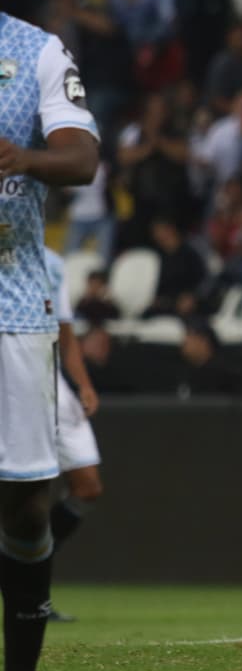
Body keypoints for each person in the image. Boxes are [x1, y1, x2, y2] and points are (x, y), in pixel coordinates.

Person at [0, 11, 101, 671]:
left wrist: (22, 157)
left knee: (29, 502)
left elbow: (83, 159)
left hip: (12, 306)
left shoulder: (33, 49)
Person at [42, 248, 104, 624]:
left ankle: (21, 565)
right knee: (22, 490)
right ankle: (30, 591)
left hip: (51, 383)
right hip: (11, 382)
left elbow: (66, 333)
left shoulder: (50, 262)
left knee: (88, 486)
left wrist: (82, 384)